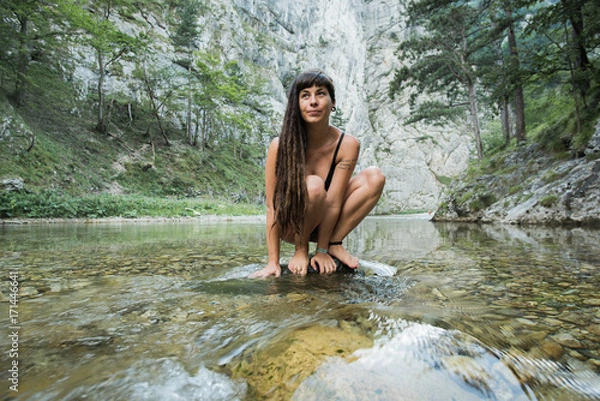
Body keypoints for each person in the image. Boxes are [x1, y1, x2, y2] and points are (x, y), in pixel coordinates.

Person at [252, 69, 385, 277]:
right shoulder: (279, 146)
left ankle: (333, 244)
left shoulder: (347, 144)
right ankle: (301, 248)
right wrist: (273, 261)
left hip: (326, 222)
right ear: (297, 104)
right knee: (313, 185)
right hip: (292, 225)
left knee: (374, 176)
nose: (313, 101)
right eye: (305, 95)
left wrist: (322, 250)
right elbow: (272, 207)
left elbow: (333, 201)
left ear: (333, 102)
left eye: (320, 93)